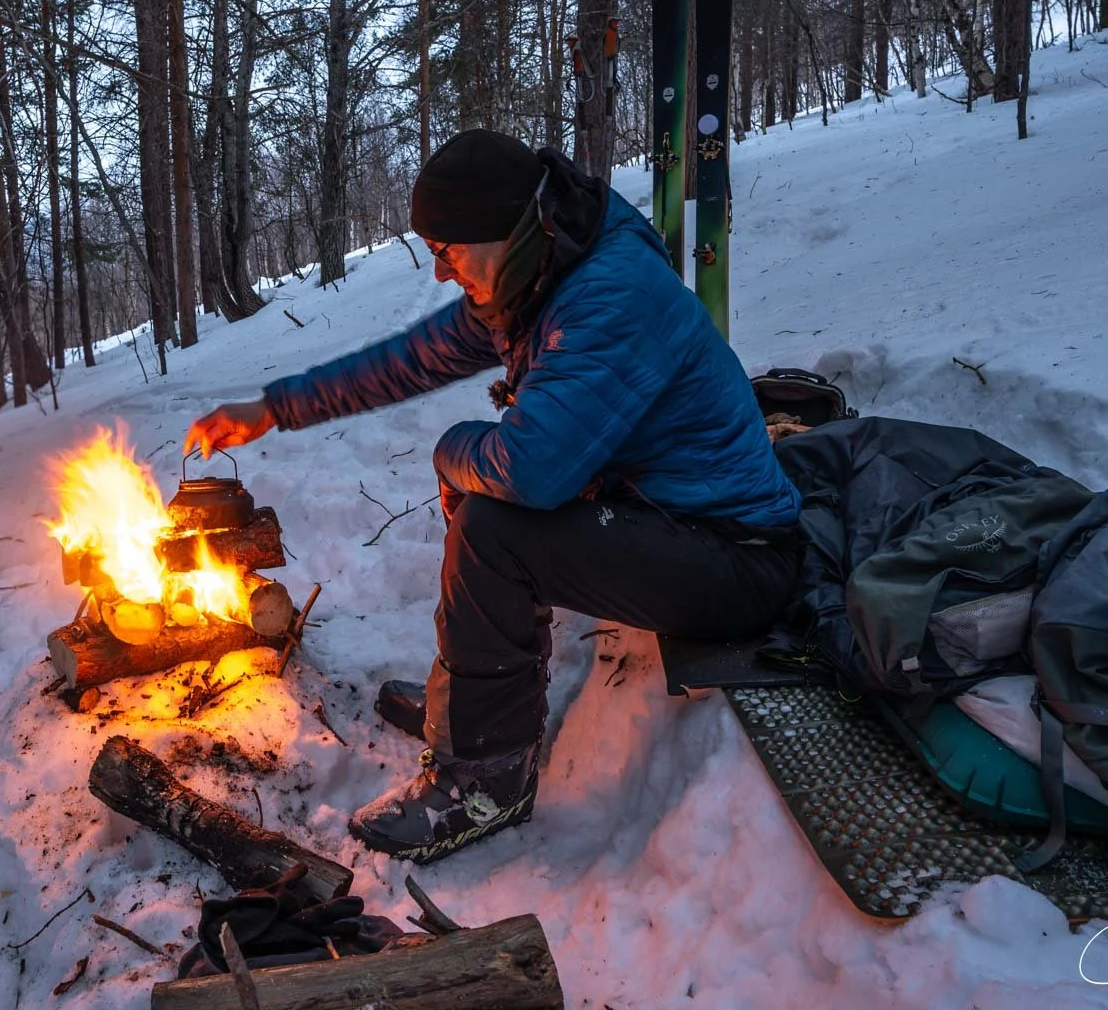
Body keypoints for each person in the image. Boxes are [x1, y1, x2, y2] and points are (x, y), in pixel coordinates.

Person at [186, 129, 803, 863]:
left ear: (504, 231)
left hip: (732, 558)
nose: (441, 272)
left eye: (446, 250)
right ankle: (468, 711)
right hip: (668, 518)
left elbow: (531, 471)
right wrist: (275, 409)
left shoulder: (607, 297)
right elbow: (409, 361)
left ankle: (485, 778)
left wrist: (450, 452)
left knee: (494, 526)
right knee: (493, 505)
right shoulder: (541, 271)